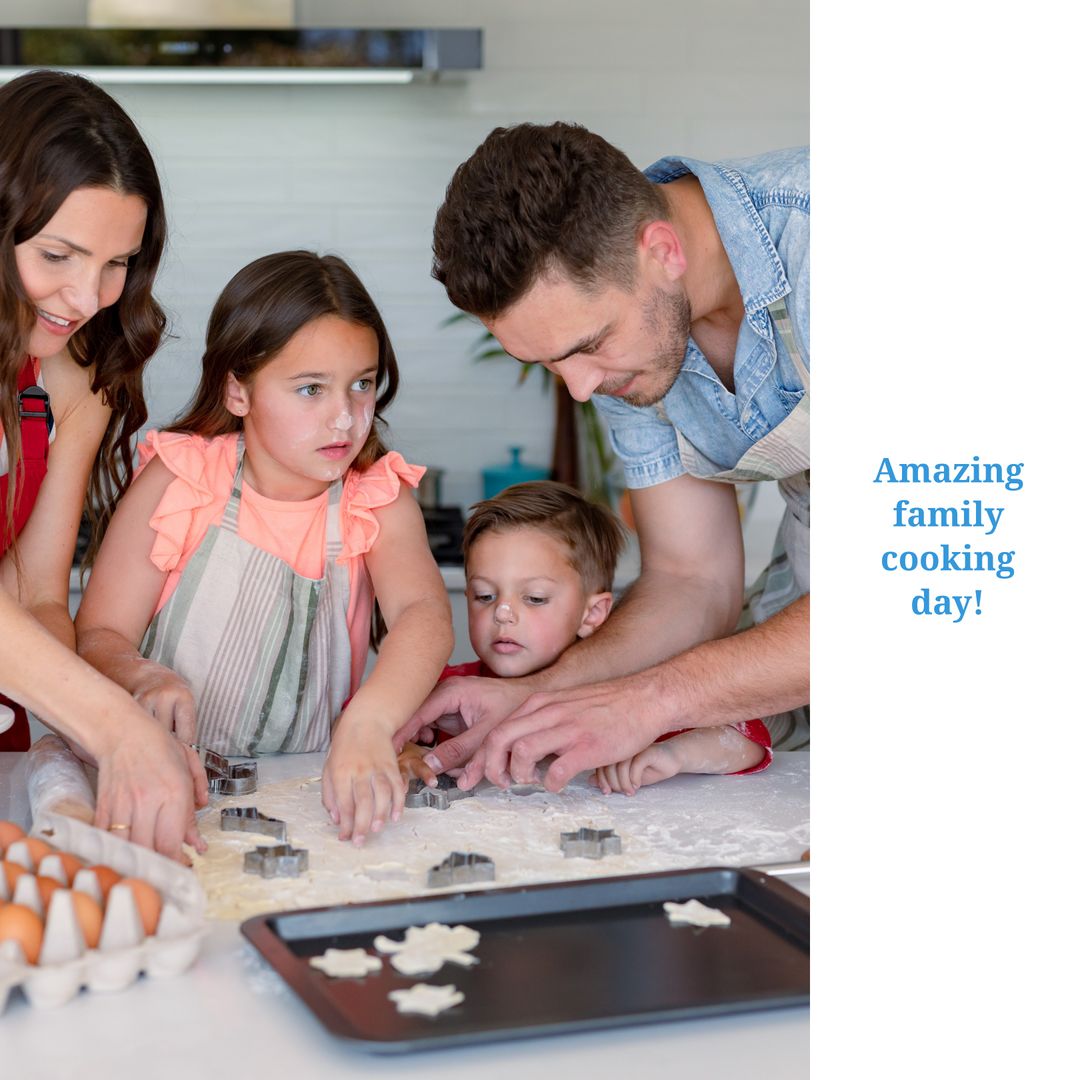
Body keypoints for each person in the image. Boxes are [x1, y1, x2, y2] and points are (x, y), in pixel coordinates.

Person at [403, 122, 808, 793]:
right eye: (551, 362)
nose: (582, 388)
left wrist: (651, 700)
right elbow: (692, 579)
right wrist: (540, 696)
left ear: (662, 250)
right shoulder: (636, 332)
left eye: (589, 345)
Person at [76, 251, 453, 844]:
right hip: (167, 785)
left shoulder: (374, 495)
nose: (345, 419)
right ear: (238, 392)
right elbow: (98, 634)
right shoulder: (183, 478)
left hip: (309, 790)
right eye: (310, 389)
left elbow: (423, 615)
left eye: (362, 384)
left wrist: (371, 724)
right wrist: (140, 676)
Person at [0, 69, 205, 859]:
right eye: (58, 254)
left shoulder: (72, 372)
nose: (86, 296)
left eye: (117, 263)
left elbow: (37, 594)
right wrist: (112, 727)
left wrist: (91, 717)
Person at [397, 481, 770, 793]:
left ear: (592, 614)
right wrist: (406, 752)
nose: (503, 613)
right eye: (484, 596)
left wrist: (673, 755)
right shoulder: (451, 695)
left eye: (535, 598)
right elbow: (367, 719)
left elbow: (749, 740)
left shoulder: (620, 695)